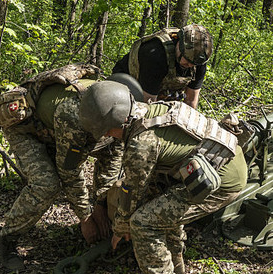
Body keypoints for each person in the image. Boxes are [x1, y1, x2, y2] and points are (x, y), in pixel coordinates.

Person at [78, 80, 248, 274]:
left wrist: (119, 229)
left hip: (221, 180)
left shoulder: (140, 144)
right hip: (218, 160)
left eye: (108, 130)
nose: (109, 135)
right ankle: (177, 268)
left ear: (121, 120)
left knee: (143, 223)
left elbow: (131, 193)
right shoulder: (147, 110)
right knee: (162, 210)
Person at [0, 66, 123, 272]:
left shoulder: (121, 111)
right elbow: (69, 173)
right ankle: (6, 242)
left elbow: (112, 161)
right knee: (46, 185)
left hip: (53, 126)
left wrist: (101, 205)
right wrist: (86, 217)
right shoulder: (74, 116)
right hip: (26, 128)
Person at [112, 24, 213, 109]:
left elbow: (191, 100)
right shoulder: (156, 55)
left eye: (194, 64)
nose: (190, 65)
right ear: (178, 45)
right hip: (126, 84)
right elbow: (147, 103)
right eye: (187, 60)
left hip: (158, 90)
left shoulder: (198, 61)